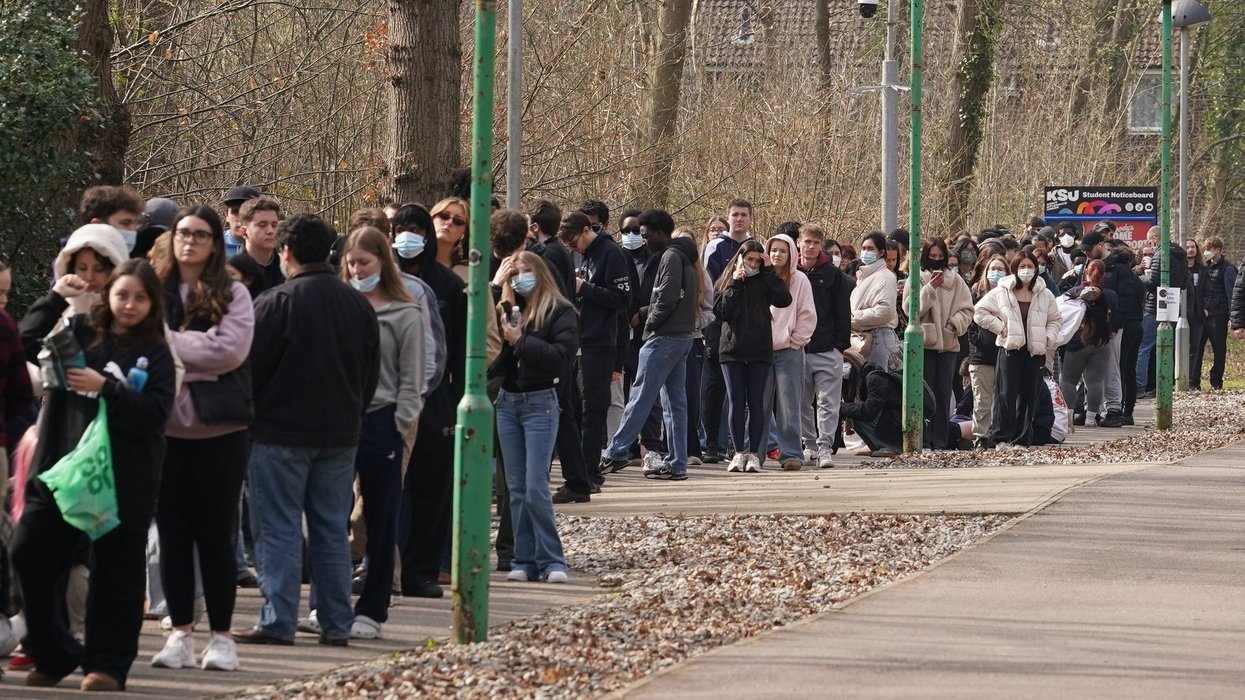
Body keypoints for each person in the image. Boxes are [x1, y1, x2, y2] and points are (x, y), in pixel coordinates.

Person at [14, 259, 175, 691]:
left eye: (140, 297)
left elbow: (156, 413)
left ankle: (107, 665)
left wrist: (107, 387)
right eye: (122, 294)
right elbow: (26, 343)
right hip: (65, 474)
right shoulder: (82, 332)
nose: (130, 304)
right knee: (29, 552)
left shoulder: (157, 350)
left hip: (125, 479)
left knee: (116, 574)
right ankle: (54, 653)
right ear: (108, 295)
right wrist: (55, 296)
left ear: (153, 303)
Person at [233, 214, 379, 647]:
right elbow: (369, 375)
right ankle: (335, 621)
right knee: (332, 529)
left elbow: (249, 372)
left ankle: (278, 618)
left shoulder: (276, 303)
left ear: (287, 253)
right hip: (340, 433)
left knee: (277, 528)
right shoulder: (358, 305)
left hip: (279, 435)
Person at [150, 206, 255, 672]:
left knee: (216, 535)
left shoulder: (233, 291)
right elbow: (138, 345)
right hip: (164, 428)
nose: (189, 241)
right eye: (183, 233)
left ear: (215, 242)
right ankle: (179, 633)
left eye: (200, 234)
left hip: (220, 429)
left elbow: (228, 351)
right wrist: (193, 357)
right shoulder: (154, 289)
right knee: (172, 534)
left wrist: (170, 346)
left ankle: (221, 636)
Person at [336, 226, 426, 638]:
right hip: (339, 420)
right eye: (352, 264)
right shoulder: (342, 304)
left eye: (365, 263)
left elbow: (413, 376)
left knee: (380, 513)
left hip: (383, 420)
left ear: (382, 262)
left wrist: (400, 422)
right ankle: (331, 603)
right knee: (331, 515)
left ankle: (373, 607)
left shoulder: (406, 312)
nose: (357, 270)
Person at [490, 252, 578, 582]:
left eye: (527, 272)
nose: (521, 279)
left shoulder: (560, 312)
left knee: (535, 485)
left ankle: (552, 559)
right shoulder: (506, 310)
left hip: (541, 403)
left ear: (541, 274)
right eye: (515, 274)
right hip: (508, 403)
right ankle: (523, 561)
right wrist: (496, 286)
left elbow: (560, 358)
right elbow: (486, 344)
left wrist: (521, 341)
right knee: (515, 488)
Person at [597, 209, 698, 480]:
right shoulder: (684, 255)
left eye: (646, 235)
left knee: (641, 395)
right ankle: (677, 463)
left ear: (660, 233)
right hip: (682, 335)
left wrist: (648, 323)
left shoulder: (670, 256)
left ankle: (615, 451)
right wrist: (646, 313)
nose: (643, 240)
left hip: (664, 337)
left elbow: (666, 297)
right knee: (675, 403)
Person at [560, 211, 632, 499]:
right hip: (582, 339)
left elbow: (622, 299)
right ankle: (581, 469)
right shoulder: (585, 255)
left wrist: (585, 288)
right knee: (577, 408)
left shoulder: (610, 253)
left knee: (593, 409)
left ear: (588, 230)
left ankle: (590, 472)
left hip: (600, 342)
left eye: (575, 241)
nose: (574, 248)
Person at [711, 239, 792, 473]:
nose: (753, 264)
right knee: (736, 401)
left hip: (759, 350)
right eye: (749, 260)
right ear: (740, 258)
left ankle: (754, 453)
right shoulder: (728, 281)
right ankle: (738, 452)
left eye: (758, 261)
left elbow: (784, 299)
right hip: (732, 350)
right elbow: (723, 312)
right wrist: (736, 283)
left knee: (756, 402)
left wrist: (768, 271)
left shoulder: (765, 281)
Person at [973, 252, 1061, 446]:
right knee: (1006, 394)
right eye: (1022, 266)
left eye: (1031, 266)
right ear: (1015, 268)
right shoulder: (1002, 290)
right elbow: (979, 312)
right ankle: (1001, 437)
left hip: (1035, 351)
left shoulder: (1044, 293)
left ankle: (1022, 438)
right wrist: (1000, 328)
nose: (1026, 270)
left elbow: (1055, 319)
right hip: (1010, 349)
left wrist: (1048, 337)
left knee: (1029, 395)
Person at [904, 238, 973, 450]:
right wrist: (930, 289)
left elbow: (968, 310)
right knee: (924, 394)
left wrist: (955, 324)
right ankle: (922, 439)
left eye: (939, 257)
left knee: (943, 394)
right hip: (924, 343)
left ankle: (940, 440)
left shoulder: (957, 281)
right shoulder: (915, 278)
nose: (936, 260)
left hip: (948, 344)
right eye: (931, 256)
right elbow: (909, 310)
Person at [797, 224, 853, 469]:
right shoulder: (790, 270)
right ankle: (809, 444)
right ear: (799, 242)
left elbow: (843, 311)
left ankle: (824, 446)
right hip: (798, 348)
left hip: (827, 348)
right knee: (801, 402)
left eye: (816, 243)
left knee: (828, 403)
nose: (810, 247)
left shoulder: (832, 274)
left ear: (821, 246)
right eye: (807, 241)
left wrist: (839, 346)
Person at [762, 232, 816, 470]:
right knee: (758, 404)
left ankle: (791, 453)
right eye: (773, 250)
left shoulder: (800, 280)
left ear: (791, 253)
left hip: (789, 350)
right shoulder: (760, 276)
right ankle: (756, 450)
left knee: (789, 404)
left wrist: (797, 340)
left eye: (783, 250)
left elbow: (806, 312)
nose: (777, 254)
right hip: (760, 351)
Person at [674, 228, 715, 467]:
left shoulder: (703, 275)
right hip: (666, 339)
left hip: (692, 341)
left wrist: (691, 323)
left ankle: (691, 448)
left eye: (688, 242)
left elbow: (710, 311)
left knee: (690, 396)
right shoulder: (666, 266)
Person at [1060, 259, 1117, 427]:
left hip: (1077, 342)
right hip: (1101, 342)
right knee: (1095, 381)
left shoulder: (1074, 291)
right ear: (1104, 274)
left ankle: (1068, 418)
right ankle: (1091, 418)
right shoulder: (1111, 295)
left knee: (1069, 380)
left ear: (1085, 272)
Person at [966, 255, 1006, 448]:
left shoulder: (1010, 297)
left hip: (1004, 353)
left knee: (1002, 398)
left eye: (1001, 269)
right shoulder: (975, 294)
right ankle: (980, 436)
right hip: (981, 355)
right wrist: (976, 339)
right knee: (982, 399)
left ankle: (998, 434)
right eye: (992, 269)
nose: (995, 273)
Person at [53, 224, 132, 318]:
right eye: (82, 268)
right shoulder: (57, 316)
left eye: (99, 269)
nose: (89, 277)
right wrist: (56, 296)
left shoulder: (129, 317)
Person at [850, 232, 899, 371]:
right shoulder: (865, 277)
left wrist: (855, 317)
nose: (865, 252)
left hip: (878, 338)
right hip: (866, 337)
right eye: (864, 248)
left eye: (870, 249)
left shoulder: (886, 277)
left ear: (881, 252)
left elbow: (886, 311)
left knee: (877, 385)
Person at [839, 350, 901, 457]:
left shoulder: (875, 378)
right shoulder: (868, 378)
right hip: (892, 419)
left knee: (856, 414)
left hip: (895, 420)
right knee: (854, 412)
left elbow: (869, 412)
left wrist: (839, 407)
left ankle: (889, 446)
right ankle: (879, 445)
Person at [1196, 236, 1235, 391]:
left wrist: (1231, 316)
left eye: (1209, 249)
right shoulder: (1204, 267)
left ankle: (1216, 381)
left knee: (1219, 348)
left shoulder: (1228, 269)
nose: (1206, 252)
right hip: (1204, 313)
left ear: (1218, 250)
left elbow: (1231, 293)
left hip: (1219, 315)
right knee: (1197, 348)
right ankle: (1194, 381)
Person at [230, 197, 285, 292]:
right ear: (243, 231)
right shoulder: (232, 271)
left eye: (274, 225)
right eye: (262, 225)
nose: (270, 231)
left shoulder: (288, 268)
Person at [78, 186, 144, 256]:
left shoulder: (137, 264)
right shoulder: (68, 263)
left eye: (135, 223)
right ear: (97, 225)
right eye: (125, 223)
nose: (133, 230)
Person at [1185, 239, 1208, 388]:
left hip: (1197, 313)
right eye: (1187, 247)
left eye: (1193, 247)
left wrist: (1206, 307)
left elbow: (1209, 291)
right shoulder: (1179, 269)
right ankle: (1176, 379)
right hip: (1182, 312)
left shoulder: (1203, 270)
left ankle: (1191, 382)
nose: (1190, 250)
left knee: (1195, 348)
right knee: (1177, 346)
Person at [431, 198, 470, 280]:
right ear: (432, 218)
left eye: (458, 221)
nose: (449, 223)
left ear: (464, 232)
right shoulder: (409, 262)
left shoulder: (470, 274)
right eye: (444, 216)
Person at [222, 186, 261, 259]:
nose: (241, 218)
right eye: (235, 212)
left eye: (248, 212)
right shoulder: (213, 246)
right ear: (227, 215)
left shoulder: (268, 246)